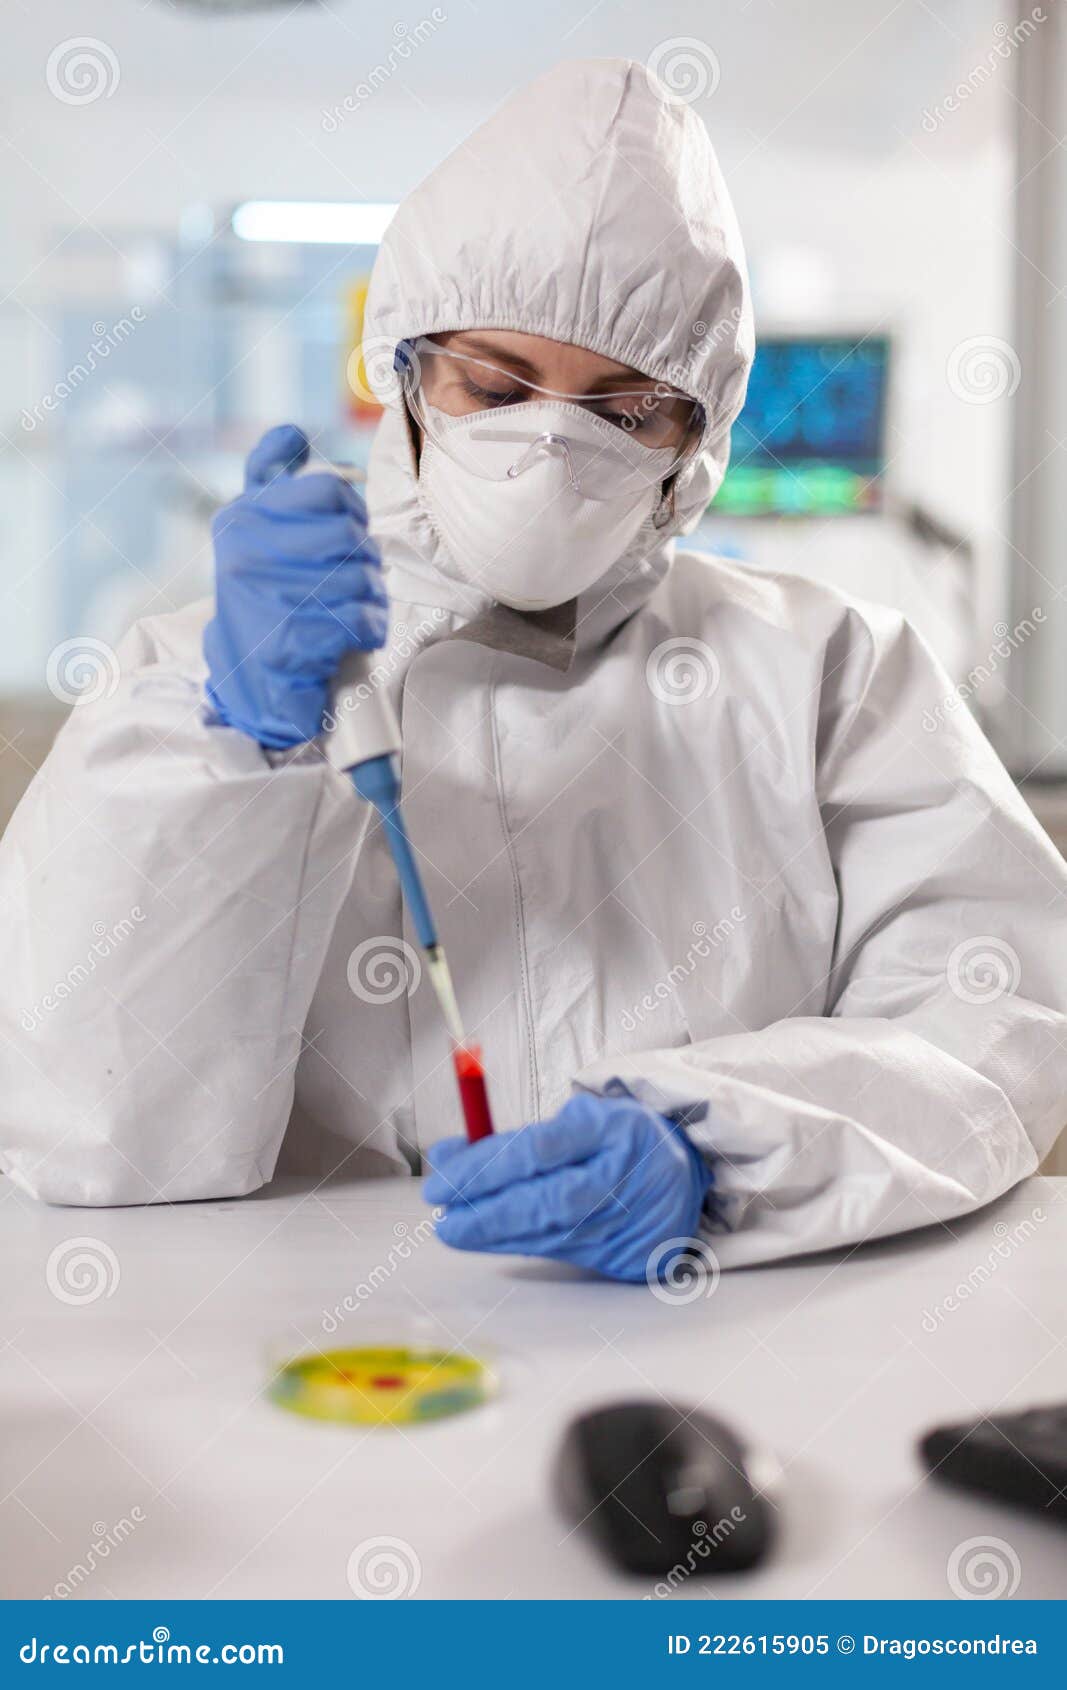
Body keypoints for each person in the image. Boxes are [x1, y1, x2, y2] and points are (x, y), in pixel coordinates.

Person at [2, 59, 1065, 1281]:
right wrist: (236, 748)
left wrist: (723, 1153)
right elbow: (84, 1129)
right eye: (494, 383)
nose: (551, 445)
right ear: (404, 371)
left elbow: (995, 1021)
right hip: (298, 1348)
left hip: (718, 1326)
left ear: (695, 437)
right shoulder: (190, 675)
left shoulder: (832, 673)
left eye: (624, 408)